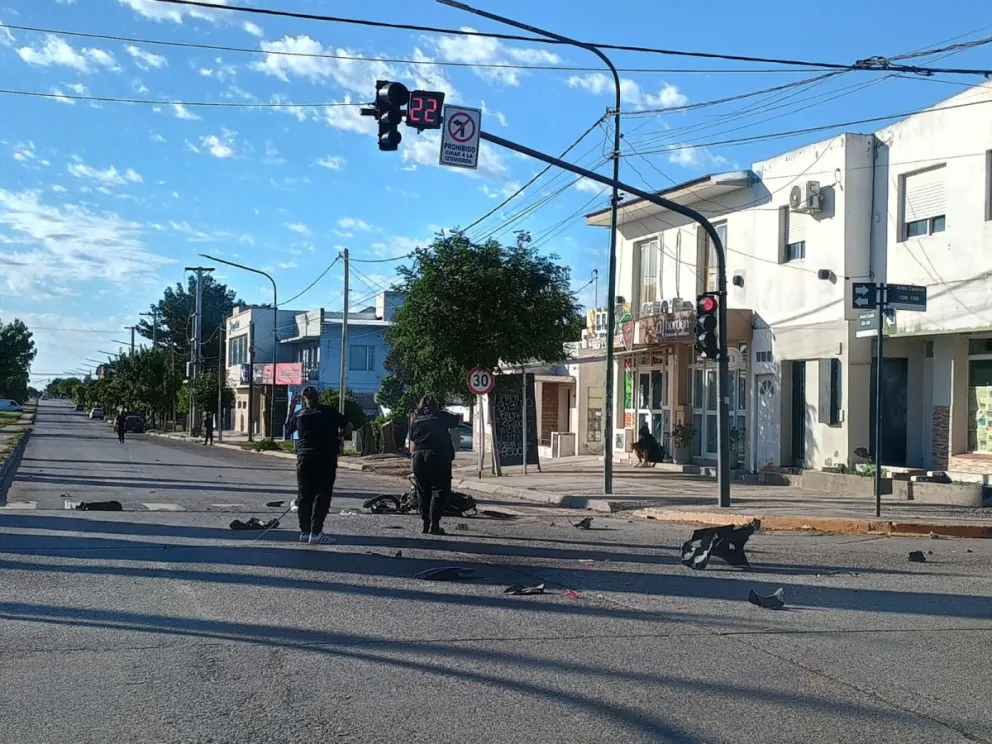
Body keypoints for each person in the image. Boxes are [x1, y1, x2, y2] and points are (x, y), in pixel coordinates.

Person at [284, 386, 353, 545]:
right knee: (322, 494)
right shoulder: (328, 411)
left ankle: (305, 531)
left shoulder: (299, 414)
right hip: (325, 457)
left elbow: (288, 428)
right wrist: (339, 436)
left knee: (304, 494)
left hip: (304, 457)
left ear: (304, 400)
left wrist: (291, 408)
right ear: (318, 397)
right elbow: (349, 426)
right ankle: (316, 532)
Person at [409, 396, 460, 535]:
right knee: (439, 490)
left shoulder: (416, 420)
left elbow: (412, 441)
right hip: (437, 455)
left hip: (418, 456)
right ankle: (435, 524)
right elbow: (458, 420)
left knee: (423, 491)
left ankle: (425, 523)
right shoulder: (441, 416)